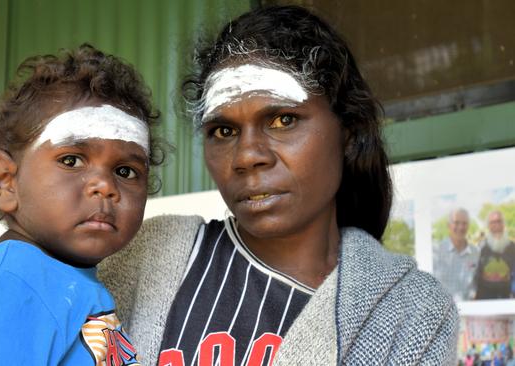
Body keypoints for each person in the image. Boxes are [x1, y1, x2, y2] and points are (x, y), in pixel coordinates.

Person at [98, 5, 458, 365]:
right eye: (224, 131)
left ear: (348, 132)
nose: (247, 156)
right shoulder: (142, 256)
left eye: (283, 120)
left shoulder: (411, 312)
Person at [0, 44, 163, 365]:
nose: (105, 186)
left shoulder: (58, 278)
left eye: (125, 171)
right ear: (6, 181)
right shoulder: (10, 280)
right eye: (71, 160)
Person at [433, 208, 480, 301]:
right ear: (449, 225)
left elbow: (477, 283)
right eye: (456, 223)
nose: (461, 227)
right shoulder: (436, 252)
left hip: (470, 311)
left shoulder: (476, 252)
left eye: (464, 223)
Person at [475, 210, 515, 299]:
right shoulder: (480, 247)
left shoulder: (512, 247)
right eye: (492, 222)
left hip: (507, 298)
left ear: (504, 224)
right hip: (484, 298)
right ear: (488, 226)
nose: (496, 225)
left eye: (499, 221)